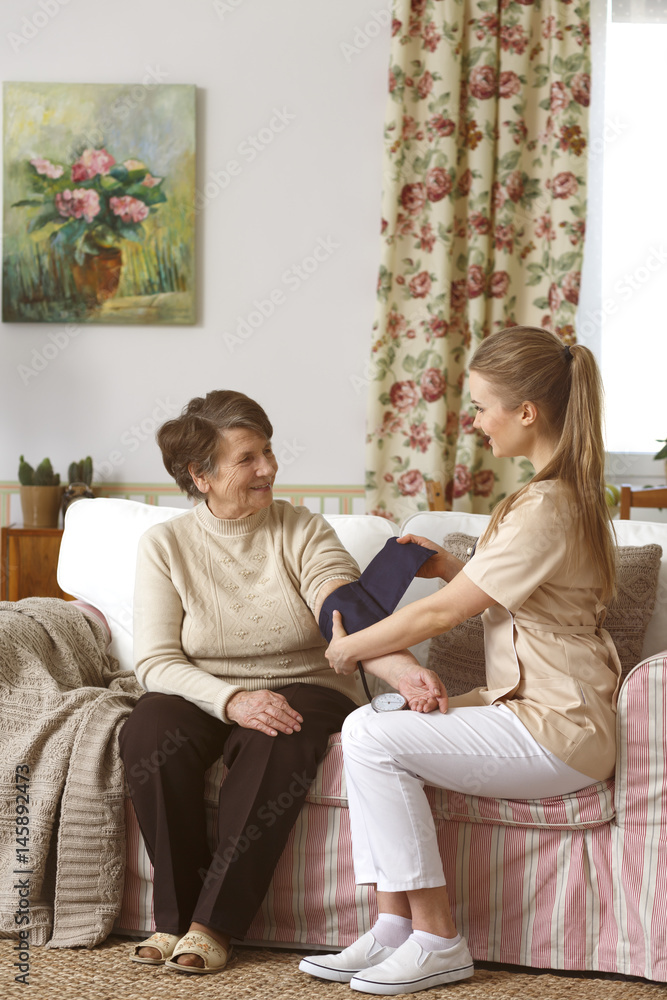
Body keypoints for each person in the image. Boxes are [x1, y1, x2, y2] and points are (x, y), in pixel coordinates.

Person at [299, 327, 621, 995]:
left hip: (558, 727)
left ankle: (437, 939)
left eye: (480, 407)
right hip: (539, 715)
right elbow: (520, 592)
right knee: (380, 722)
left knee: (369, 733)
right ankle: (392, 929)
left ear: (525, 412)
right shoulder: (559, 494)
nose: (474, 424)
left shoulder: (547, 504)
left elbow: (445, 613)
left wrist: (350, 645)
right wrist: (456, 566)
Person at [119, 389, 432, 976]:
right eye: (247, 458)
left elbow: (341, 606)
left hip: (307, 686)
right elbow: (156, 662)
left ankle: (212, 925)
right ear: (200, 475)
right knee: (147, 726)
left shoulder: (299, 528)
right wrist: (231, 700)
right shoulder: (165, 545)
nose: (268, 468)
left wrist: (403, 668)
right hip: (209, 689)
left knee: (279, 730)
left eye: (267, 451)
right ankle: (172, 917)